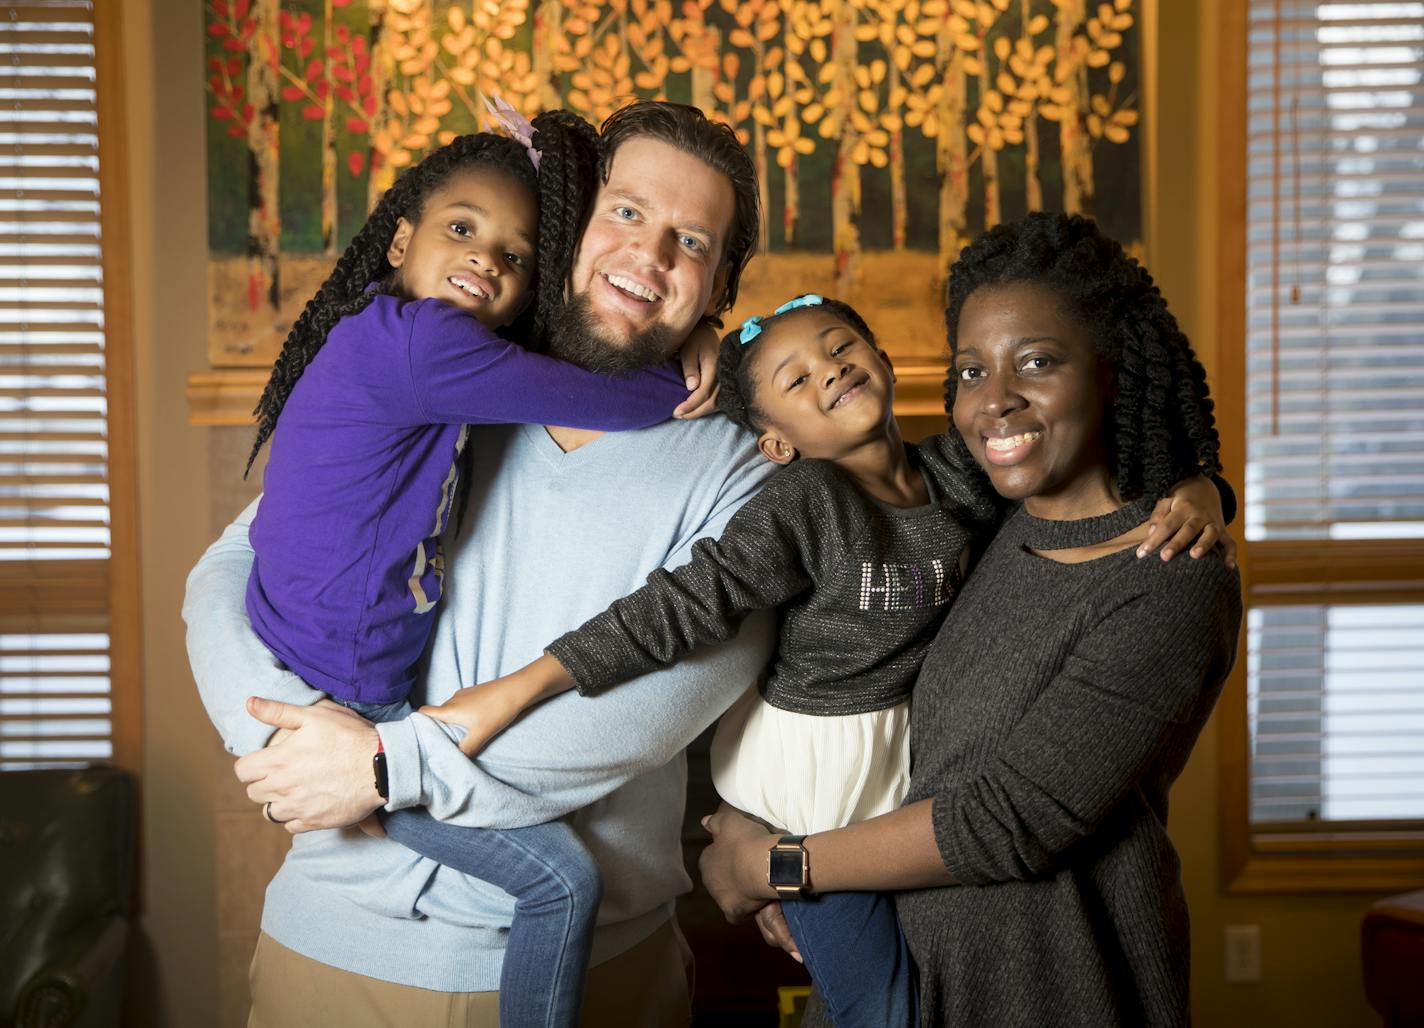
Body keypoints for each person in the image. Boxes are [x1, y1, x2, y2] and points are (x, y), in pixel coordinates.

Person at [420, 291, 1232, 1028]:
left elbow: (1078, 443)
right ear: (776, 440)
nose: (829, 372)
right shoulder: (805, 506)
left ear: (883, 356)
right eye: (795, 378)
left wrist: (1201, 487)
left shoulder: (966, 477)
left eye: (842, 347)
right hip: (806, 786)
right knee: (876, 1003)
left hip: (891, 777)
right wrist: (524, 686)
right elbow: (679, 606)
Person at [185, 100, 768, 1026]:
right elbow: (231, 564)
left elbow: (649, 707)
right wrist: (270, 738)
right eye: (624, 212)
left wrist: (386, 767)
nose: (647, 256)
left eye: (689, 240)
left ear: (720, 282)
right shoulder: (455, 376)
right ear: (572, 224)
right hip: (331, 947)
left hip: (596, 973)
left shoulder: (750, 472)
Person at [697, 212, 1244, 1028]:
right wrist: (768, 833)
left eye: (1037, 361)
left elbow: (1008, 821)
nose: (997, 402)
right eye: (970, 371)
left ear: (1111, 369)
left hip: (1051, 989)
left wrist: (777, 867)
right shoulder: (990, 518)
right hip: (906, 968)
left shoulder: (1168, 579)